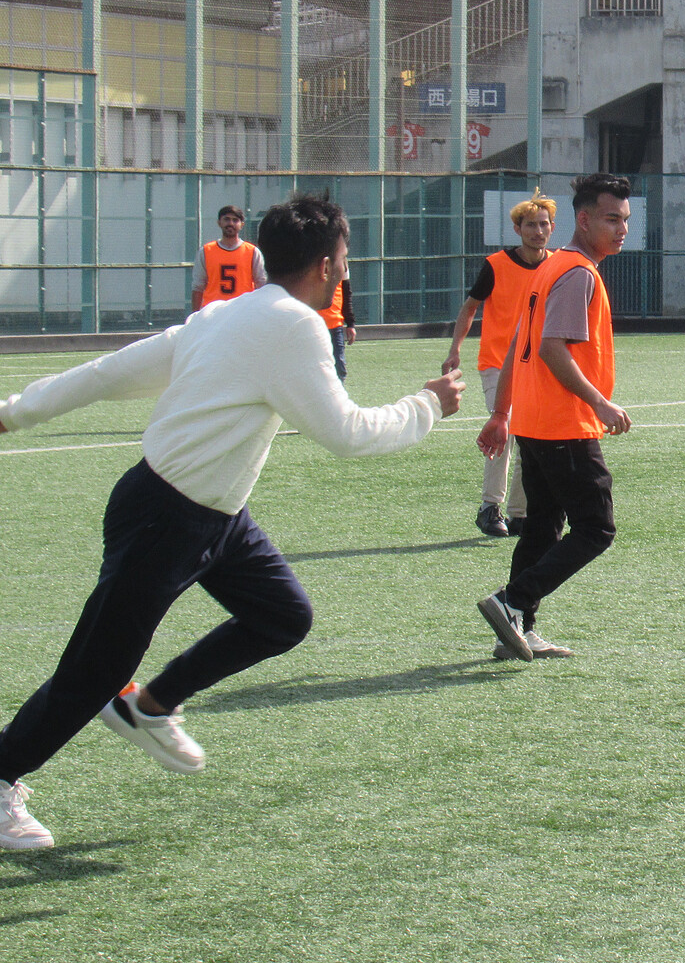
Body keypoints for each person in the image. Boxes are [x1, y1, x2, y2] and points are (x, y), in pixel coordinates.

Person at [0, 194, 463, 851]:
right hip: (166, 518)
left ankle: (149, 704)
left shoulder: (228, 313)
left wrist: (15, 412)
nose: (346, 267)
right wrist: (427, 405)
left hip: (212, 517)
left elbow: (109, 373)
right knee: (94, 670)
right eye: (345, 257)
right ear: (328, 265)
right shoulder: (292, 325)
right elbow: (348, 434)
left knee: (282, 616)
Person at [474, 173, 633, 663]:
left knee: (542, 528)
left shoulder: (549, 267)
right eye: (612, 219)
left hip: (533, 423)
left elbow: (515, 349)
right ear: (584, 220)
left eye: (625, 219)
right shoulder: (578, 272)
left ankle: (517, 628)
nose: (622, 229)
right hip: (564, 425)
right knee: (596, 529)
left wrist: (502, 412)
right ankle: (512, 602)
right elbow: (549, 349)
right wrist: (600, 403)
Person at [445, 190, 557, 539]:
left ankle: (520, 514)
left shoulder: (556, 266)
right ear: (517, 229)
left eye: (544, 224)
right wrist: (455, 349)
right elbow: (470, 307)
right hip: (497, 363)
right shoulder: (496, 265)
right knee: (504, 429)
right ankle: (489, 507)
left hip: (536, 365)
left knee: (531, 437)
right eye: (531, 225)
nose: (538, 231)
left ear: (552, 228)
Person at [189, 204, 267, 314]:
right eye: (226, 219)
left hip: (242, 312)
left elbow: (262, 285)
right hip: (213, 313)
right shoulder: (206, 251)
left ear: (242, 225)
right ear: (219, 222)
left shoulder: (252, 252)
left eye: (235, 220)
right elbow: (198, 287)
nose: (230, 223)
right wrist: (195, 316)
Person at [318, 266, 355, 383]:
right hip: (314, 325)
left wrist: (350, 323)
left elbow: (346, 293)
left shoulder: (341, 263)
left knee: (339, 368)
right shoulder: (310, 261)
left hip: (335, 325)